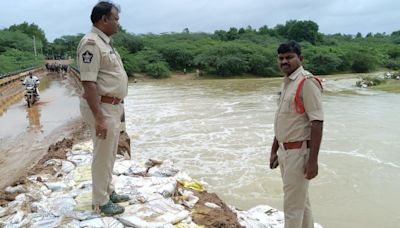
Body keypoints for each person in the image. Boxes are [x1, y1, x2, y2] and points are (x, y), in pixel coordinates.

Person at [77, 1, 129, 216]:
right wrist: (99, 117)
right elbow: (88, 83)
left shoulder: (105, 42)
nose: (118, 23)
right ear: (103, 19)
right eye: (115, 19)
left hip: (113, 106)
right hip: (102, 107)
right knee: (102, 155)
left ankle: (108, 190)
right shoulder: (91, 43)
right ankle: (100, 201)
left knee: (110, 154)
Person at [269, 41, 323, 228]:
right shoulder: (287, 83)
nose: (284, 61)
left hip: (298, 154)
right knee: (302, 203)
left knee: (292, 208)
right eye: (281, 58)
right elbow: (283, 120)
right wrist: (274, 150)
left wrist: (313, 161)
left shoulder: (306, 82)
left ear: (300, 58)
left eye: (289, 57)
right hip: (285, 151)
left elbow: (317, 122)